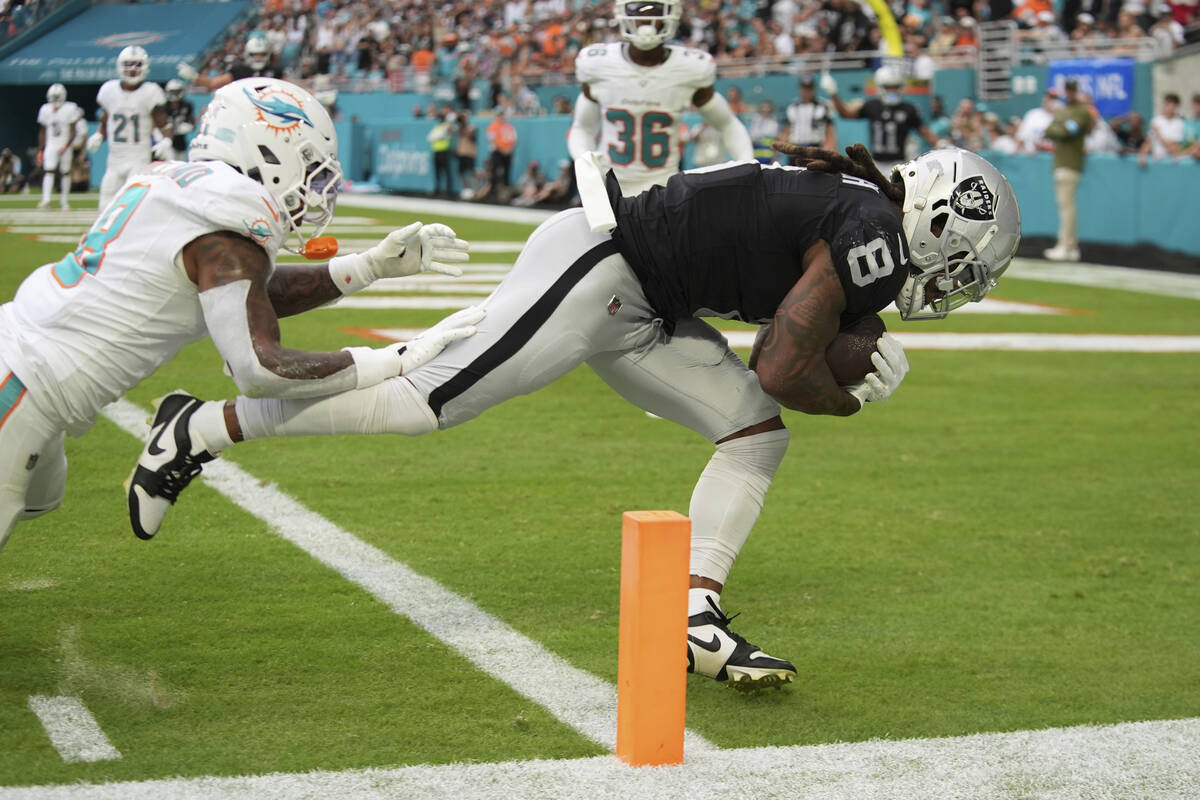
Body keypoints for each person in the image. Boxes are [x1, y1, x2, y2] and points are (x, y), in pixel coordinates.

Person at [127, 144, 1022, 693]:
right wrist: (848, 393)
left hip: (647, 305)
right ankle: (200, 428)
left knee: (753, 434)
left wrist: (849, 344)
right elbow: (784, 363)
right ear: (940, 224)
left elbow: (797, 332)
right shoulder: (873, 230)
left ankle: (693, 615)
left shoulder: (864, 216)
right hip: (606, 269)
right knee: (416, 404)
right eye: (968, 264)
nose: (959, 283)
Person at [0, 78, 479, 556]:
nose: (315, 187)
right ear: (270, 148)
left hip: (27, 364)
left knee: (42, 499)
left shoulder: (180, 187)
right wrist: (395, 360)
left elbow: (241, 292)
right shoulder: (226, 223)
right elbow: (259, 368)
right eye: (310, 167)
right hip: (23, 382)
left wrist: (367, 267)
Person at [566, 0, 753, 196]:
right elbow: (583, 128)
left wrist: (747, 163)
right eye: (639, 14)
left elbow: (728, 124)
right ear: (624, 15)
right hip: (610, 187)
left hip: (664, 191)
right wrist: (585, 161)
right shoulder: (599, 64)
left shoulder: (690, 68)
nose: (647, 22)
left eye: (655, 12)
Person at [86, 46, 170, 210]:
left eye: (137, 64)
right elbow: (105, 119)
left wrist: (166, 139)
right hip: (114, 159)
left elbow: (164, 123)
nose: (132, 69)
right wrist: (99, 135)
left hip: (138, 156)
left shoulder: (150, 91)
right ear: (120, 66)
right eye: (128, 64)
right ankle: (107, 236)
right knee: (105, 203)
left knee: (133, 203)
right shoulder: (108, 90)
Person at [821, 65, 938, 174]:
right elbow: (845, 114)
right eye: (888, 87)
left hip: (899, 163)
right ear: (880, 87)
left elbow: (925, 132)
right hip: (876, 164)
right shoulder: (872, 106)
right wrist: (833, 93)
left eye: (895, 86)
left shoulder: (908, 109)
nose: (892, 91)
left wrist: (941, 144)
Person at [1043, 78, 1093, 262]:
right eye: (1068, 89)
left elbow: (1067, 132)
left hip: (1071, 162)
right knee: (1065, 205)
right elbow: (1050, 130)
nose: (1069, 92)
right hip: (1061, 162)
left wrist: (1060, 128)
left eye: (1072, 89)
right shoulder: (1064, 110)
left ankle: (1066, 245)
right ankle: (1069, 246)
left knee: (1066, 206)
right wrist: (1060, 128)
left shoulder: (1081, 111)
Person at [36, 83, 82, 210]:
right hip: (51, 143)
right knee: (49, 170)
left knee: (65, 172)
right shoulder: (45, 109)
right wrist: (41, 149)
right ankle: (46, 200)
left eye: (58, 97)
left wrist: (67, 145)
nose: (55, 100)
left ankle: (64, 202)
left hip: (64, 144)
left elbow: (73, 130)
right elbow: (42, 130)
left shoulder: (70, 108)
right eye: (53, 97)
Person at [177, 36, 281, 92]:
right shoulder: (239, 70)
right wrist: (194, 76)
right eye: (254, 54)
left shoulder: (275, 70)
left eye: (262, 54)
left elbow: (292, 88)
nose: (258, 58)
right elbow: (213, 83)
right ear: (248, 54)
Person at [784, 75, 836, 161]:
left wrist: (830, 147)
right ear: (800, 88)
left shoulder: (823, 105)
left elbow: (830, 129)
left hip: (815, 147)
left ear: (814, 89)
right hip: (795, 148)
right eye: (804, 88)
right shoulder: (792, 106)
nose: (807, 91)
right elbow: (787, 129)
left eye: (809, 88)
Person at [1139, 92, 1185, 166]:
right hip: (1156, 162)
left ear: (1175, 106)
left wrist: (1158, 133)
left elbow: (1173, 148)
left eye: (1169, 105)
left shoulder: (1180, 123)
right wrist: (1142, 155)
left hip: (1171, 163)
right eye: (1165, 104)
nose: (1165, 107)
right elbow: (1148, 142)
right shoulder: (1156, 120)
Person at [486, 109, 517, 203]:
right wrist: (503, 149)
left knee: (506, 174)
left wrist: (508, 149)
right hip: (497, 152)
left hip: (507, 152)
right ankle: (493, 193)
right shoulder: (493, 126)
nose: (501, 117)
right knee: (495, 173)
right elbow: (493, 140)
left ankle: (505, 195)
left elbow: (514, 138)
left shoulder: (508, 126)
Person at [162, 79, 196, 162]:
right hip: (168, 142)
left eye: (177, 91)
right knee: (170, 164)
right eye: (173, 92)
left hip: (181, 142)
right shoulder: (164, 107)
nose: (175, 94)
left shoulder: (187, 106)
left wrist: (189, 127)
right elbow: (159, 125)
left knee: (181, 164)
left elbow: (192, 122)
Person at [428, 112, 455, 197]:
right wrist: (438, 135)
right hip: (436, 152)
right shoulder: (437, 127)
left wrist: (438, 136)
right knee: (437, 173)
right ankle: (437, 190)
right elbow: (430, 138)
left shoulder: (447, 126)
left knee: (447, 172)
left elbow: (445, 134)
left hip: (444, 152)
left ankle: (448, 191)